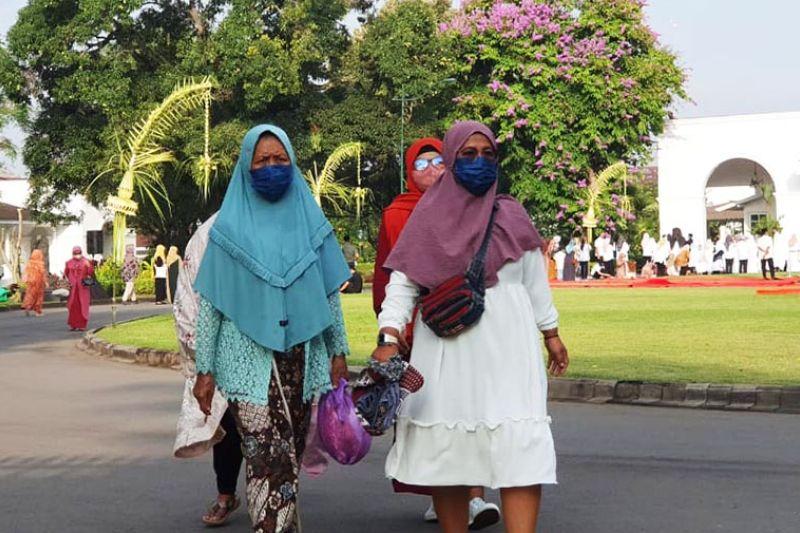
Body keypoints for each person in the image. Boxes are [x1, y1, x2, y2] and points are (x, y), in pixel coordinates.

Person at [374, 121, 569, 533]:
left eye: (487, 154)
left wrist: (551, 333)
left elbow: (535, 279)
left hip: (510, 352)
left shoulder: (512, 214)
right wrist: (389, 334)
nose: (480, 162)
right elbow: (403, 284)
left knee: (520, 451)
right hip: (448, 352)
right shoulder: (427, 217)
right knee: (450, 454)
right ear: (451, 159)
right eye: (468, 154)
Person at [191, 124, 351, 533]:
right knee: (266, 458)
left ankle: (282, 524)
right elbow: (212, 306)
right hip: (249, 366)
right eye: (262, 161)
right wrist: (204, 371)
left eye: (281, 160)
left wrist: (338, 351)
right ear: (246, 166)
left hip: (301, 359)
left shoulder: (310, 222)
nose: (272, 168)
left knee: (289, 457)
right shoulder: (227, 230)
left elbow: (329, 294)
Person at [373, 137, 501, 528]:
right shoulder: (397, 215)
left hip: (470, 322)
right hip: (418, 331)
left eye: (436, 162)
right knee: (432, 415)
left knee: (474, 409)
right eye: (421, 164)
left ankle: (474, 497)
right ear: (408, 172)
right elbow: (390, 276)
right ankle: (441, 493)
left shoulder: (476, 207)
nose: (430, 170)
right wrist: (393, 331)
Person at [173, 212, 245, 528]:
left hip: (276, 350)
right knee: (228, 427)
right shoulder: (210, 233)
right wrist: (202, 363)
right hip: (226, 352)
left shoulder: (289, 221)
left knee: (276, 433)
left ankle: (276, 496)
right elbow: (191, 300)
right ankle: (226, 494)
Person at [64, 246, 93, 331]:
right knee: (73, 306)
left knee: (83, 306)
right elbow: (66, 273)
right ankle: (73, 325)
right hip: (73, 289)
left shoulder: (85, 262)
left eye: (79, 253)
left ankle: (82, 325)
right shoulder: (69, 262)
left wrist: (89, 266)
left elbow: (90, 273)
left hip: (83, 288)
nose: (77, 255)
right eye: (75, 253)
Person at [21, 249, 48, 317]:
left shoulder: (29, 263)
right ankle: (38, 312)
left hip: (31, 282)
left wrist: (24, 280)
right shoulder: (41, 263)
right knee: (39, 297)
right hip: (39, 282)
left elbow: (26, 272)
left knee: (30, 295)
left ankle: (27, 307)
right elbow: (43, 274)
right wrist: (46, 282)